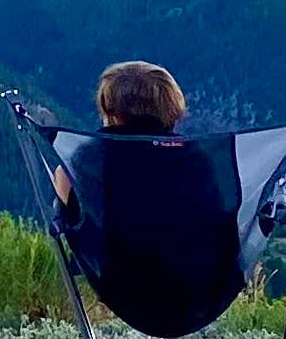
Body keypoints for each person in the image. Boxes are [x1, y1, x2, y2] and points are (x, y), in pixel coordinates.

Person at [49, 61, 187, 228]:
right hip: (192, 254)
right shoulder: (196, 160)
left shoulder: (78, 166)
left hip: (111, 254)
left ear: (111, 112)